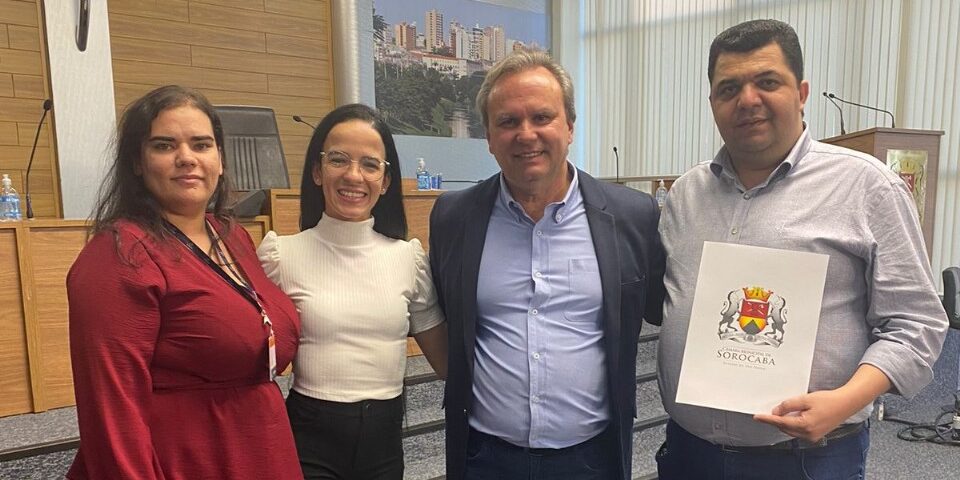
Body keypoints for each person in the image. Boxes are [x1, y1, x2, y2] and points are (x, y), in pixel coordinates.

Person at [656, 19, 949, 479]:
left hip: (806, 459)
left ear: (802, 92)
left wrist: (846, 401)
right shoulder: (686, 195)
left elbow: (917, 324)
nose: (747, 100)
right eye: (729, 88)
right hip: (689, 453)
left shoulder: (868, 187)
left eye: (767, 82)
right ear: (712, 102)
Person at [429, 49, 666, 480]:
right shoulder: (453, 217)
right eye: (508, 121)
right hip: (485, 459)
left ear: (569, 126)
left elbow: (665, 308)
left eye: (542, 117)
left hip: (592, 460)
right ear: (488, 136)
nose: (526, 134)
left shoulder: (632, 216)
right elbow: (448, 316)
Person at [66, 85, 302, 479]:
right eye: (164, 145)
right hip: (181, 459)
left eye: (201, 144)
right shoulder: (119, 255)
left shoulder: (231, 236)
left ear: (220, 160)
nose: (187, 158)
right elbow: (111, 412)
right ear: (137, 162)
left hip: (259, 447)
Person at [257, 103, 448, 480]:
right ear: (317, 171)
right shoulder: (281, 255)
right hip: (310, 436)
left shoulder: (408, 258)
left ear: (386, 181)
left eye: (370, 165)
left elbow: (447, 363)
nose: (353, 175)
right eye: (338, 160)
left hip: (383, 441)